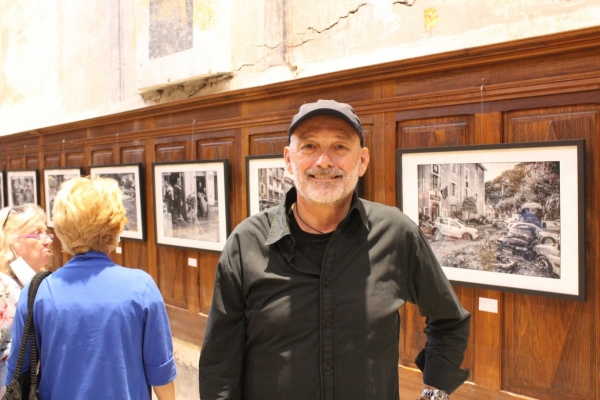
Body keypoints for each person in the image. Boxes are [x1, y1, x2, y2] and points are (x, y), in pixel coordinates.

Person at [199, 100, 471, 400]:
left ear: (362, 161)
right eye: (309, 146)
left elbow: (450, 321)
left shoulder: (396, 234)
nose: (324, 161)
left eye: (340, 146)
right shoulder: (246, 243)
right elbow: (219, 368)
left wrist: (434, 394)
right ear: (289, 160)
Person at [5, 177, 177, 400]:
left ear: (62, 228)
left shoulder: (38, 292)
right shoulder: (141, 288)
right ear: (115, 226)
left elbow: (17, 371)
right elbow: (161, 374)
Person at [0, 204, 53, 396]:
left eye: (47, 233)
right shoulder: (4, 287)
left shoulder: (34, 283)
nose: (47, 240)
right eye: (36, 233)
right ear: (11, 242)